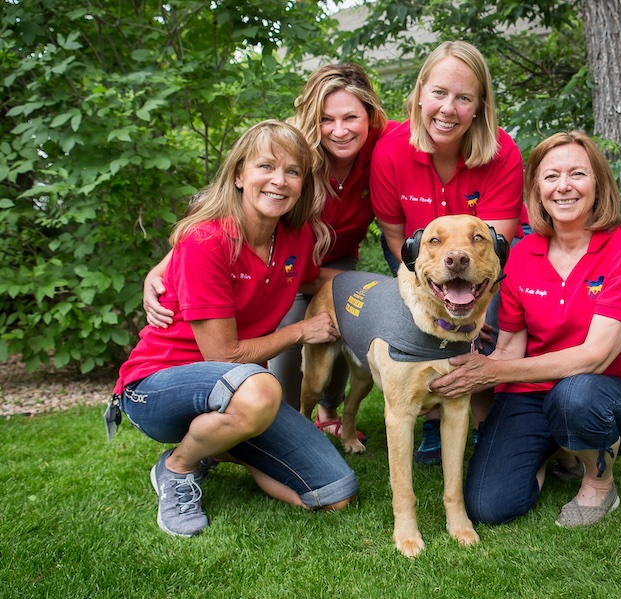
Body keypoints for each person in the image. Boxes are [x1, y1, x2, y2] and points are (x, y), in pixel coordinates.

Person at [112, 120, 358, 538]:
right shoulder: (206, 240)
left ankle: (222, 443)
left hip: (237, 393)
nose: (279, 181)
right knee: (261, 387)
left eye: (293, 171)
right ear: (240, 174)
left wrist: (398, 287)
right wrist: (302, 331)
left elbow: (316, 279)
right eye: (266, 166)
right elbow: (223, 356)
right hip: (157, 387)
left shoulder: (293, 238)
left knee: (333, 495)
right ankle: (178, 467)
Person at [143, 64, 396, 442]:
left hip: (329, 260)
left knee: (345, 317)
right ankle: (278, 424)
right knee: (286, 367)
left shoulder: (387, 142)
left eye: (350, 117)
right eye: (327, 119)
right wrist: (163, 267)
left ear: (371, 115)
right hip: (282, 259)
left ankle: (330, 410)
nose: (339, 130)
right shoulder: (290, 150)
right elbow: (222, 207)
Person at [430, 130, 621, 527]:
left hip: (607, 397)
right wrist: (451, 376)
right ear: (536, 189)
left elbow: (596, 356)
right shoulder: (522, 254)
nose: (563, 186)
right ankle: (558, 447)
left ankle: (598, 483)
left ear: (598, 183)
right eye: (551, 176)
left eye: (577, 174)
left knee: (575, 396)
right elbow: (509, 348)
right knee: (489, 505)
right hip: (533, 393)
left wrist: (495, 372)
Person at [369, 40, 525, 464]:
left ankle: (477, 420)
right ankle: (432, 416)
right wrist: (431, 287)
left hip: (482, 260)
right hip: (417, 257)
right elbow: (398, 241)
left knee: (480, 328)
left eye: (463, 97)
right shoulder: (389, 151)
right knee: (420, 329)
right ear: (420, 92)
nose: (448, 108)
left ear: (479, 106)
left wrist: (469, 307)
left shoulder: (503, 153)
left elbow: (495, 249)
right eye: (439, 92)